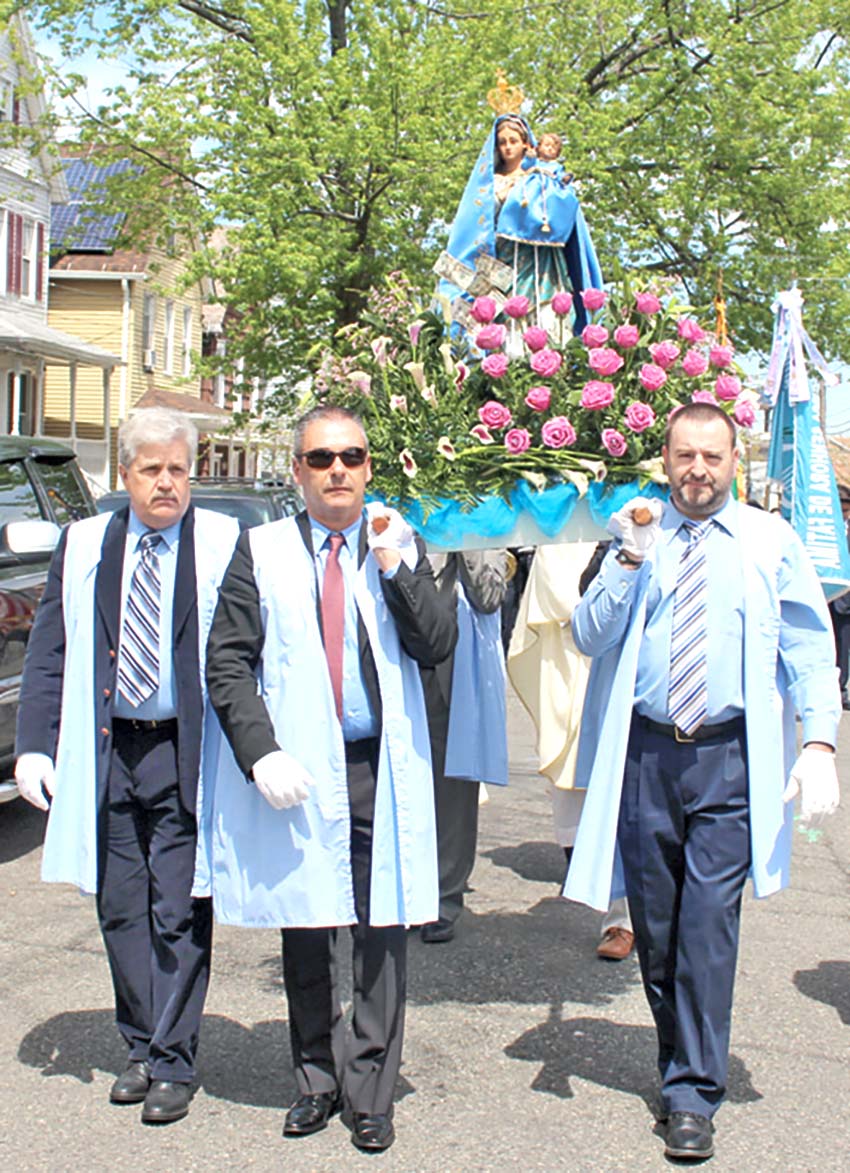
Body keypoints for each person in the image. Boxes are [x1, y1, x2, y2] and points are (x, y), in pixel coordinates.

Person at [565, 401, 841, 1162]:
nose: (697, 470)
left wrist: (819, 740)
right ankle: (679, 1057)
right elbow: (588, 634)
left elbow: (809, 646)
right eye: (684, 455)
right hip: (647, 757)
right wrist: (627, 558)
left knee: (708, 928)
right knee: (657, 929)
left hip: (728, 760)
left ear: (734, 461)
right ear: (665, 459)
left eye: (712, 457)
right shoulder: (634, 533)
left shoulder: (770, 541)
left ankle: (692, 1093)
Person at [201, 405, 457, 1153]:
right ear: (297, 471)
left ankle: (371, 1089)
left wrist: (396, 568)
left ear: (369, 467)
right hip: (303, 767)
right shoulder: (262, 549)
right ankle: (315, 1078)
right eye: (320, 458)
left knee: (383, 930)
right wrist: (260, 751)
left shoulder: (398, 542)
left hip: (379, 764)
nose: (337, 469)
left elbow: (436, 642)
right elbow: (228, 659)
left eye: (351, 456)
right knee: (308, 925)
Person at [14, 407, 238, 1125]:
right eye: (152, 470)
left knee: (179, 906)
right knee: (120, 906)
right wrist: (34, 744)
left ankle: (173, 1058)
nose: (166, 483)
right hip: (110, 749)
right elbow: (49, 649)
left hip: (183, 749)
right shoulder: (85, 544)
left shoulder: (223, 542)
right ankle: (139, 1044)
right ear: (125, 474)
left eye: (178, 469)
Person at [506, 542, 634, 961]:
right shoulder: (558, 538)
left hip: (627, 658)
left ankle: (633, 915)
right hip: (568, 660)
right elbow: (559, 595)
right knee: (574, 775)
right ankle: (610, 902)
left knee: (630, 787)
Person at [439, 106, 602, 333]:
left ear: (526, 144)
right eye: (502, 142)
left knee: (546, 318)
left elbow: (562, 210)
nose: (507, 147)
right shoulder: (489, 183)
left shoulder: (541, 178)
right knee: (504, 324)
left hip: (539, 261)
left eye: (513, 141)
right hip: (503, 260)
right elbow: (475, 221)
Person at [420, 550, 508, 944]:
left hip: (453, 666)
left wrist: (466, 540)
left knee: (452, 793)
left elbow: (489, 598)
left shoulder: (487, 527)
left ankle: (443, 897)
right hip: (396, 659)